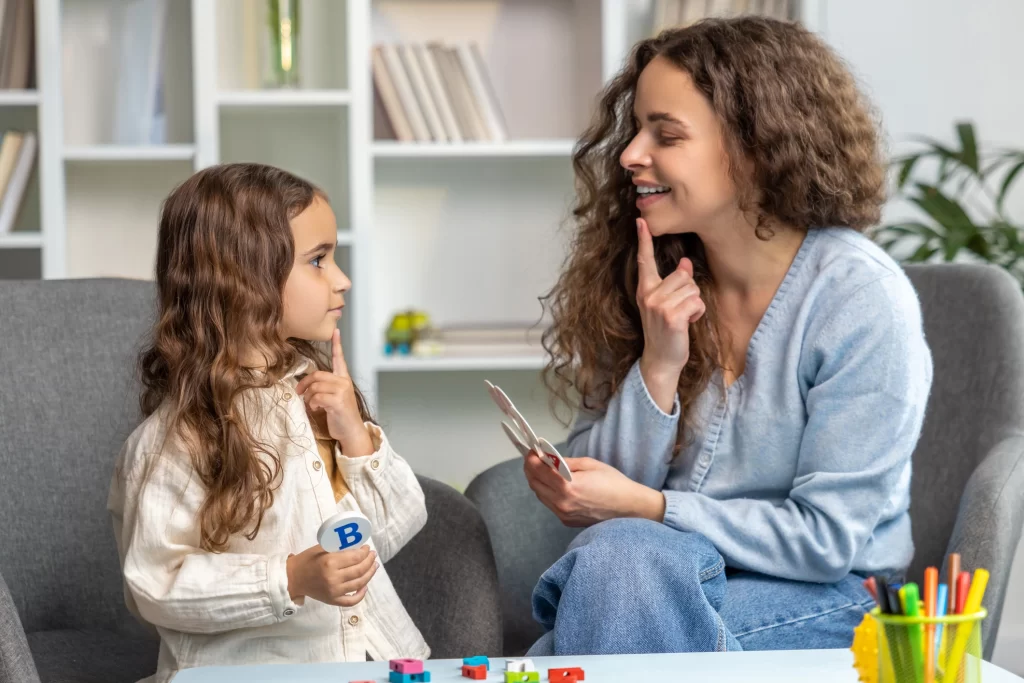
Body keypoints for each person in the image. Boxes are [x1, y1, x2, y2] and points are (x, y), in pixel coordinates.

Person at [525, 16, 933, 655]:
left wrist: (655, 510)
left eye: (666, 133)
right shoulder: (645, 278)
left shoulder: (859, 300)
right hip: (657, 574)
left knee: (600, 598)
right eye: (636, 128)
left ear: (755, 147)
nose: (631, 153)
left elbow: (828, 541)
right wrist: (658, 368)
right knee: (625, 562)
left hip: (833, 596)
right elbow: (605, 494)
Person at [107, 163, 429, 683]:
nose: (342, 279)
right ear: (244, 280)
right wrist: (290, 578)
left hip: (367, 664)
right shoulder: (177, 438)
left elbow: (397, 528)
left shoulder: (318, 400)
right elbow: (155, 583)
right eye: (319, 260)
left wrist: (356, 436)